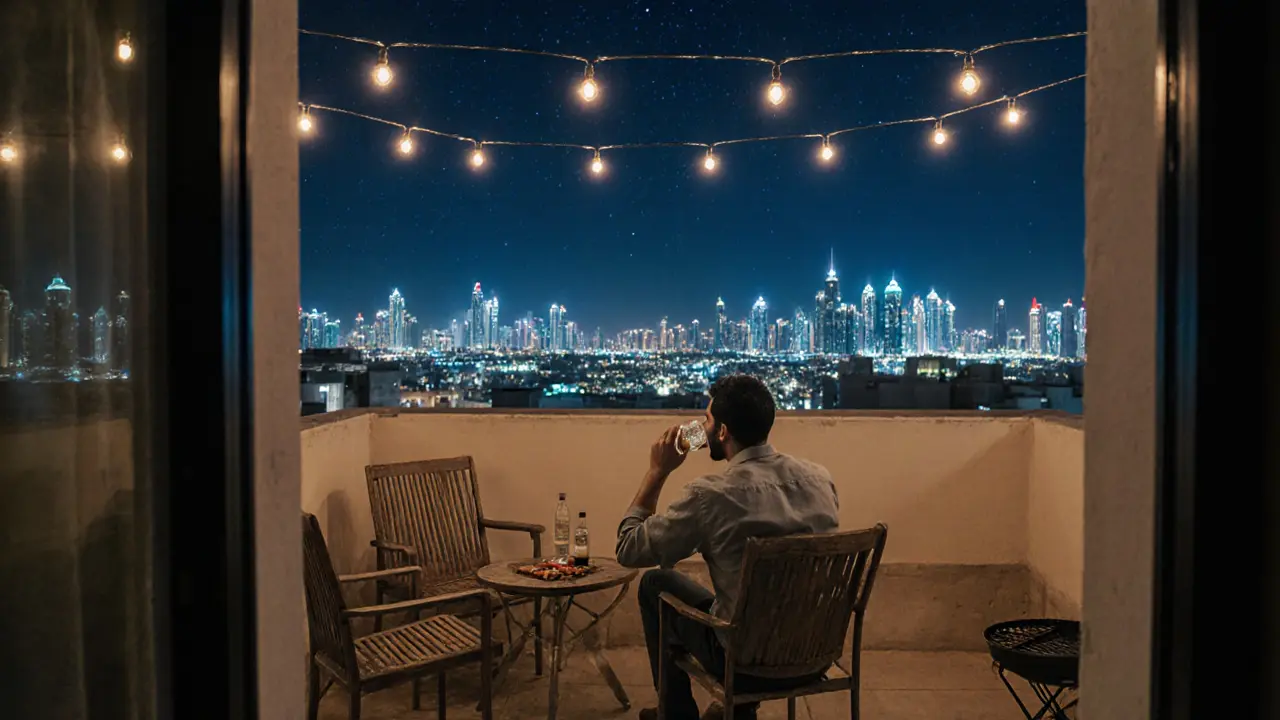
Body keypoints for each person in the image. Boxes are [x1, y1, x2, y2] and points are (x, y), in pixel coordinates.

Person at [615, 374, 840, 720]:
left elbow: (629, 550)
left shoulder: (710, 496)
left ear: (722, 432)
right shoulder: (819, 478)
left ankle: (675, 714)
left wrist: (658, 471)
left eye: (706, 421)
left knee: (655, 584)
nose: (701, 428)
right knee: (745, 600)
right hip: (815, 653)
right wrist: (710, 431)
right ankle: (739, 711)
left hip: (746, 664)